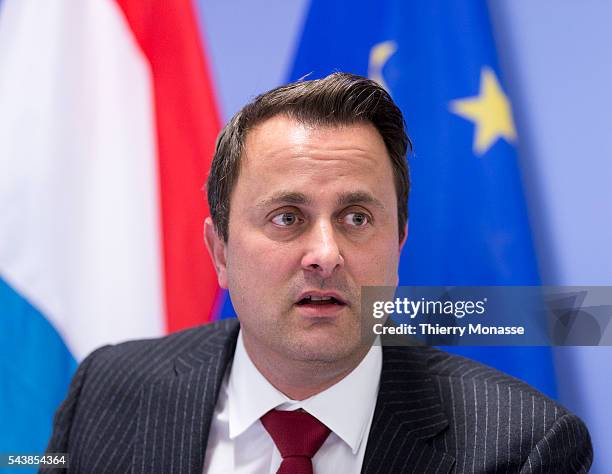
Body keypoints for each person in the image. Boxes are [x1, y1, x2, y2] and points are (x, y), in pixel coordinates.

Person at [44, 73, 593, 474]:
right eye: (287, 218)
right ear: (220, 253)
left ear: (399, 243)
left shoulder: (523, 446)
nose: (325, 254)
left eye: (357, 218)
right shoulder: (106, 391)